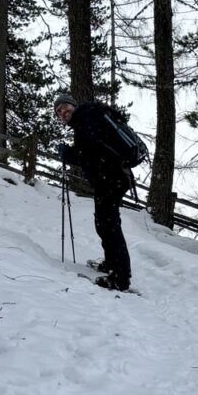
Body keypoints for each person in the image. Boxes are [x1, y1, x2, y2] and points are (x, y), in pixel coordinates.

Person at [53, 92, 133, 292]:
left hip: (111, 176)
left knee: (108, 224)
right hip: (113, 176)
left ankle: (120, 278)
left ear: (74, 105)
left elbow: (89, 153)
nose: (63, 113)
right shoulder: (87, 118)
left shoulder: (86, 118)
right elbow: (92, 151)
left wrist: (67, 153)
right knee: (105, 223)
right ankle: (112, 264)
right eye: (59, 112)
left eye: (65, 108)